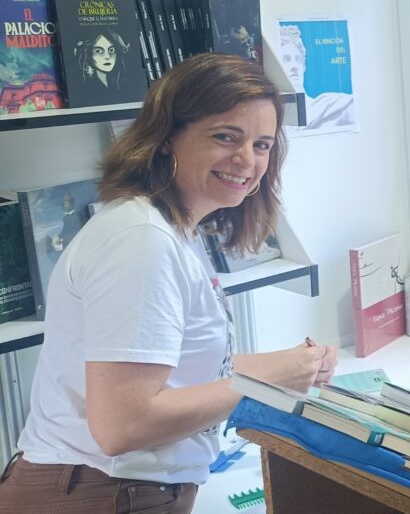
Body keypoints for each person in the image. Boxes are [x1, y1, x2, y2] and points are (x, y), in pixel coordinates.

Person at [0, 54, 339, 513]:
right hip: (100, 493)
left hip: (112, 488)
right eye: (225, 137)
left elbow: (173, 365)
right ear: (166, 139)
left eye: (262, 144)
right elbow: (123, 424)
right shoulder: (140, 240)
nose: (247, 160)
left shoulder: (169, 227)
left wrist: (287, 364)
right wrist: (270, 380)